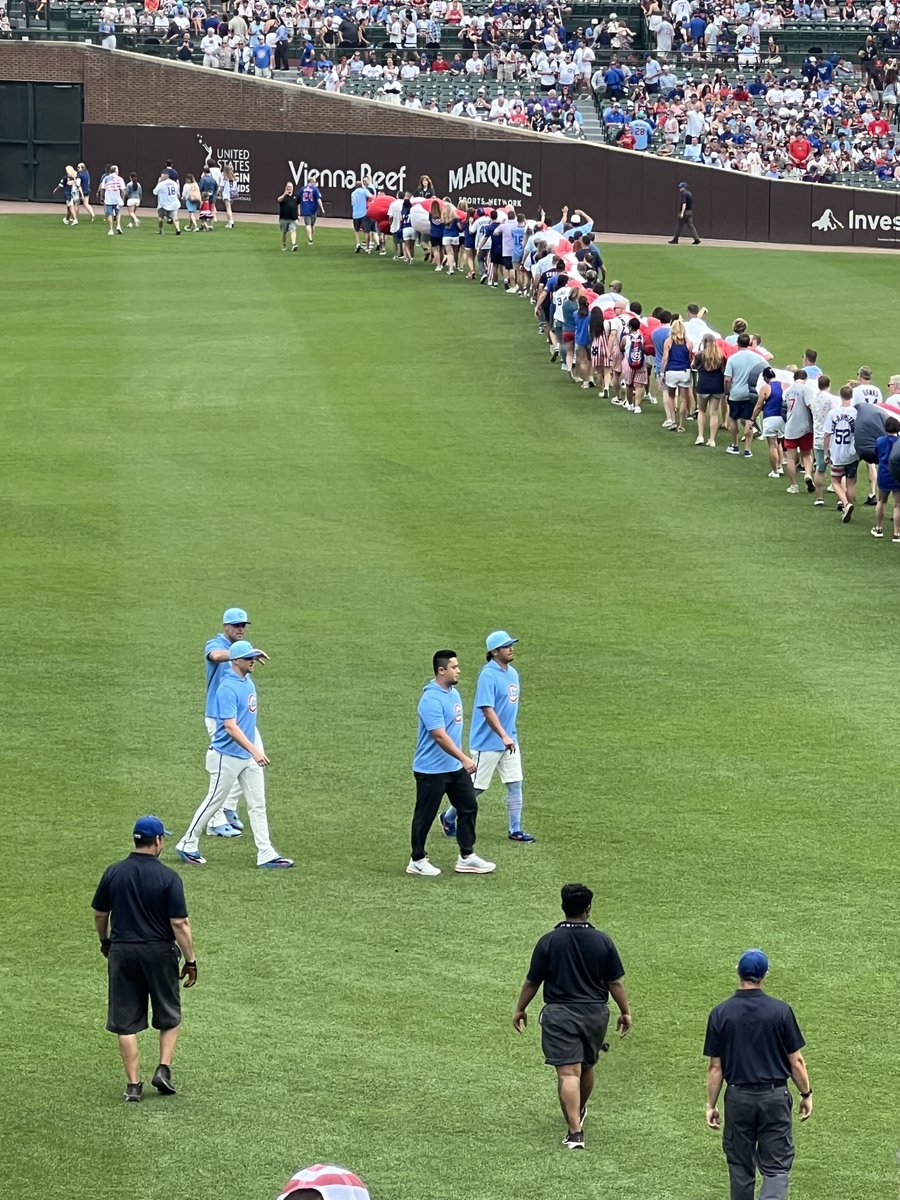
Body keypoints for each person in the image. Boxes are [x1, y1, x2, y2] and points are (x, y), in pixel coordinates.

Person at [513, 883, 632, 1150]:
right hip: (595, 1014)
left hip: (560, 1015)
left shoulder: (549, 940)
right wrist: (625, 1011)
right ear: (588, 908)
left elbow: (533, 981)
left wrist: (521, 1008)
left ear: (563, 906)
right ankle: (577, 1111)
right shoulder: (603, 941)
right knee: (586, 1066)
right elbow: (615, 982)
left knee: (568, 1072)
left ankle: (575, 1132)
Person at [91, 816, 197, 1102]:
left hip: (123, 952)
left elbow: (100, 914)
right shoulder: (169, 877)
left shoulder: (114, 872)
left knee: (125, 1021)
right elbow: (180, 923)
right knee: (169, 1013)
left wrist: (105, 941)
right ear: (158, 841)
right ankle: (163, 1069)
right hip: (160, 953)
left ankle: (133, 1085)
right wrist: (190, 960)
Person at [175, 639, 293, 868]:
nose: (253, 661)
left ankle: (266, 852)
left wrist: (251, 752)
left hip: (246, 757)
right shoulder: (227, 688)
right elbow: (230, 726)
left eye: (253, 657)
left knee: (257, 804)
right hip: (225, 757)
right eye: (248, 658)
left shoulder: (247, 681)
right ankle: (187, 843)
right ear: (236, 661)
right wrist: (255, 750)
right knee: (214, 801)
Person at [704, 949, 812, 1200]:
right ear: (765, 974)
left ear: (738, 972)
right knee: (776, 1167)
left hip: (738, 1099)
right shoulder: (780, 1011)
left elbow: (715, 1067)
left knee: (740, 1168)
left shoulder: (720, 1013)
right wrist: (806, 1093)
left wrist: (711, 1105)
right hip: (774, 1098)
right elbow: (796, 1061)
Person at [441, 630, 534, 845]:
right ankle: (448, 817)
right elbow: (487, 709)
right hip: (488, 743)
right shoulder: (488, 675)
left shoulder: (513, 673)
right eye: (506, 646)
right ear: (494, 652)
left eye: (511, 645)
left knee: (515, 783)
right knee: (476, 787)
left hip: (509, 740)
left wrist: (509, 736)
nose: (511, 649)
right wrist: (503, 735)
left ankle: (515, 829)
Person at [408, 649, 496, 877]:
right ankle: (417, 860)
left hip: (454, 768)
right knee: (425, 815)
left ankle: (466, 856)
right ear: (441, 670)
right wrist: (464, 758)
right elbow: (439, 736)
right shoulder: (430, 699)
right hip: (431, 770)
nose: (458, 671)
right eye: (454, 667)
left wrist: (459, 759)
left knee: (468, 806)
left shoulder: (453, 694)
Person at [823, 386, 858, 524]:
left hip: (837, 453)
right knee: (851, 483)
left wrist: (826, 452)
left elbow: (827, 434)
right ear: (851, 396)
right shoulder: (856, 413)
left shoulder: (833, 413)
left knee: (835, 481)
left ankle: (845, 504)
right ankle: (849, 507)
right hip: (852, 453)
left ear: (840, 396)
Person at [724, 334, 761, 458]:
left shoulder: (733, 359)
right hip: (751, 393)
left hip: (736, 393)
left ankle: (735, 445)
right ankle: (747, 449)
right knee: (749, 420)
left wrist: (727, 392)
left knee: (733, 418)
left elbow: (727, 379)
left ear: (737, 343)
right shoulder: (757, 358)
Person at [782, 370, 814, 495]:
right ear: (805, 378)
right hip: (805, 427)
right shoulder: (806, 389)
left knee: (791, 458)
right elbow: (811, 406)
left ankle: (793, 485)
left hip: (790, 428)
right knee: (806, 454)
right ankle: (808, 474)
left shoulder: (788, 391)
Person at [692, 333, 726, 447]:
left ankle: (700, 436)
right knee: (714, 413)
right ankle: (712, 439)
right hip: (717, 385)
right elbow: (724, 370)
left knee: (701, 411)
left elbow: (693, 366)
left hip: (703, 385)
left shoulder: (700, 355)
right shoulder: (720, 355)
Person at [752, 367, 785, 478]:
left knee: (772, 445)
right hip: (781, 418)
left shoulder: (766, 388)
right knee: (779, 443)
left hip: (770, 418)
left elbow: (759, 405)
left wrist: (752, 418)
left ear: (766, 377)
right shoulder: (783, 385)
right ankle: (780, 467)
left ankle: (775, 471)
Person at [872, 416, 900, 541]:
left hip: (884, 474)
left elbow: (876, 454)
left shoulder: (880, 441)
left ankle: (878, 528)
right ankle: (897, 534)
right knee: (897, 505)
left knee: (881, 501)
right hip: (897, 475)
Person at [153, 170, 182, 235]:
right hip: (174, 203)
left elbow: (155, 192)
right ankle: (178, 228)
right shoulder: (174, 183)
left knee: (160, 218)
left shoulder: (161, 184)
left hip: (163, 204)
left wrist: (158, 183)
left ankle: (161, 230)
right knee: (175, 217)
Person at [299, 173, 325, 245]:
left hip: (305, 209)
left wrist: (298, 210)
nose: (315, 183)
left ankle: (310, 239)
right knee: (310, 225)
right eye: (315, 182)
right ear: (312, 182)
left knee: (310, 225)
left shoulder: (302, 189)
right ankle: (310, 239)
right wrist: (322, 208)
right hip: (313, 209)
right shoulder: (315, 189)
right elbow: (318, 199)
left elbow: (298, 200)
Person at [102, 163, 126, 236]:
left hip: (108, 198)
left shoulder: (106, 178)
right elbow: (122, 190)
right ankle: (118, 225)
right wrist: (122, 199)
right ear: (115, 171)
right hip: (116, 198)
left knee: (109, 214)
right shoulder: (120, 179)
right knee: (118, 212)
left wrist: (102, 197)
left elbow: (102, 189)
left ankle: (111, 229)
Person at [278, 181, 299, 251]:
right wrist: (284, 194)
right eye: (288, 187)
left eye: (291, 187)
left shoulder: (295, 196)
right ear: (286, 187)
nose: (290, 188)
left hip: (293, 218)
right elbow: (279, 200)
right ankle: (284, 244)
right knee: (284, 233)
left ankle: (294, 244)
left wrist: (298, 214)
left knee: (293, 230)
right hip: (284, 218)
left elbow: (298, 205)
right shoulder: (283, 196)